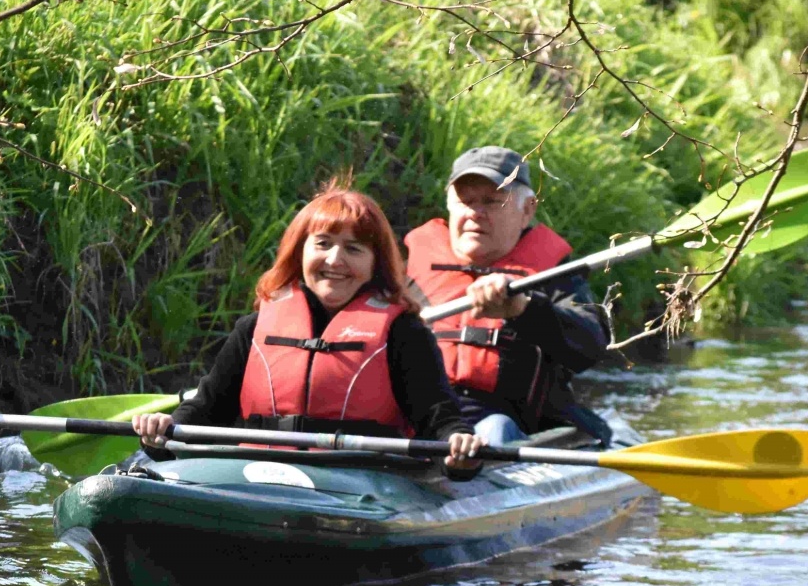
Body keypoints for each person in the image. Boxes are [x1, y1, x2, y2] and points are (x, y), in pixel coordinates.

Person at [132, 180, 482, 475]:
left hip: (359, 480)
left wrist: (458, 446)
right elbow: (206, 409)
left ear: (376, 264)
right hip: (254, 473)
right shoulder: (253, 329)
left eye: (354, 249)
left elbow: (438, 416)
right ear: (299, 253)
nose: (334, 260)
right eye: (323, 244)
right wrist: (165, 430)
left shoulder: (403, 334)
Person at [403, 146, 610, 446]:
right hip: (427, 418)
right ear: (450, 206)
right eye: (466, 201)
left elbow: (591, 344)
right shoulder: (406, 272)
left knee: (496, 429)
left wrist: (523, 310)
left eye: (492, 201)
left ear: (527, 210)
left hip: (509, 426)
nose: (476, 212)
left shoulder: (554, 277)